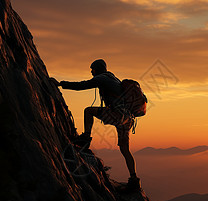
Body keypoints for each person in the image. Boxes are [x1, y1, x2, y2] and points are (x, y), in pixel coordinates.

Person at [50, 59, 141, 190]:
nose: (92, 72)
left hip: (117, 115)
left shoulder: (102, 79)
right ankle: (134, 180)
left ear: (98, 69)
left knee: (88, 111)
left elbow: (83, 85)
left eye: (92, 69)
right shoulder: (113, 78)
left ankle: (86, 138)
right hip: (127, 119)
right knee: (125, 150)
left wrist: (60, 84)